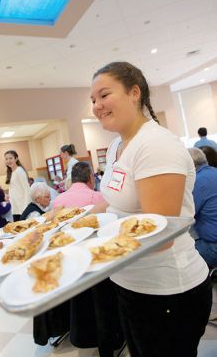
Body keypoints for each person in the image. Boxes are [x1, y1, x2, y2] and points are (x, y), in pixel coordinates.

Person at [90, 61, 212, 357]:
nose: (97, 105)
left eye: (104, 95)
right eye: (93, 100)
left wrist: (89, 250)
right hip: (131, 283)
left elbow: (160, 234)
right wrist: (72, 223)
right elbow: (110, 200)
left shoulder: (156, 145)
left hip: (167, 290)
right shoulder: (119, 145)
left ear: (134, 93)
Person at [188, 147, 217, 268]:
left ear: (192, 166)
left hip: (212, 247)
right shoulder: (214, 172)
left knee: (179, 253)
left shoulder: (198, 182)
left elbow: (186, 215)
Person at [4, 150, 31, 221]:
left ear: (16, 158)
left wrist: (26, 208)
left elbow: (27, 189)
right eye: (6, 159)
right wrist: (8, 197)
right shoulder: (11, 172)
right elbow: (14, 189)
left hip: (23, 207)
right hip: (15, 207)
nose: (8, 161)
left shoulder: (19, 171)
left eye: (10, 158)